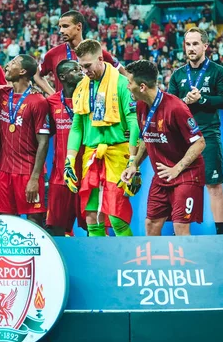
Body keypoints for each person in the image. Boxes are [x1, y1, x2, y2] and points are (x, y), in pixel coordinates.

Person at [65, 40, 140, 237]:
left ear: (100, 58)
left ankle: (128, 260)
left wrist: (134, 160)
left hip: (118, 154)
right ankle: (98, 262)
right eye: (81, 66)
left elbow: (134, 122)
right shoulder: (81, 87)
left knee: (116, 215)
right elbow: (77, 127)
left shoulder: (122, 84)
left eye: (87, 66)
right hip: (91, 155)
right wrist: (70, 160)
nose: (84, 71)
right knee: (91, 215)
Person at [122, 60, 205, 236]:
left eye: (130, 83)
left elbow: (199, 143)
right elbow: (146, 137)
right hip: (162, 177)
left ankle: (186, 265)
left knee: (180, 227)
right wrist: (134, 164)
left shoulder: (176, 107)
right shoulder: (140, 107)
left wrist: (177, 168)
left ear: (142, 87)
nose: (128, 87)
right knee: (151, 223)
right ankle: (154, 263)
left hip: (186, 174)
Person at [167, 28, 223, 235]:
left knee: (214, 186)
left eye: (196, 44)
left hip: (208, 135)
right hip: (183, 140)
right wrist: (184, 102)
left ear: (205, 46)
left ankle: (220, 234)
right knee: (182, 187)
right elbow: (170, 105)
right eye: (188, 44)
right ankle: (184, 237)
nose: (191, 48)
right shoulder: (177, 75)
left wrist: (202, 100)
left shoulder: (217, 71)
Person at [0, 55, 51, 227]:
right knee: (6, 222)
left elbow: (43, 143)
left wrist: (34, 178)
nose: (8, 65)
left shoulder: (38, 101)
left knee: (35, 221)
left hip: (28, 171)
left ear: (23, 71)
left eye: (14, 63)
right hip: (5, 171)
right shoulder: (2, 94)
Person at [35, 10, 125, 95]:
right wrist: (53, 95)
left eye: (65, 26)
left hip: (91, 108)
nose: (61, 31)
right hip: (64, 108)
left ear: (79, 26)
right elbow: (37, 74)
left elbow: (123, 73)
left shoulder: (96, 52)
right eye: (60, 27)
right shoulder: (53, 54)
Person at [46, 60, 85, 236]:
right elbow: (44, 136)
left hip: (86, 174)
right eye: (75, 70)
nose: (81, 72)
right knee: (56, 227)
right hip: (60, 176)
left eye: (80, 68)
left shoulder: (90, 99)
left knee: (93, 225)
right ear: (62, 77)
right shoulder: (51, 102)